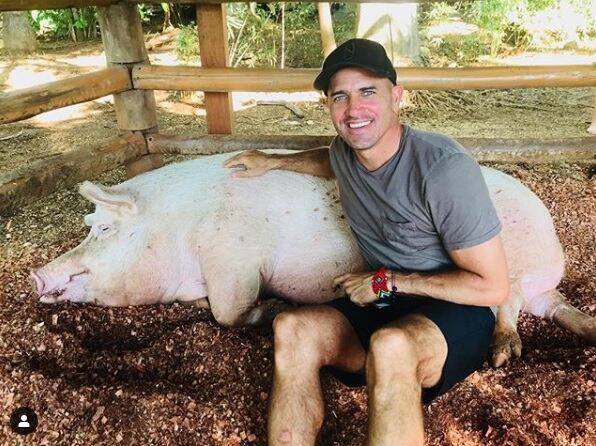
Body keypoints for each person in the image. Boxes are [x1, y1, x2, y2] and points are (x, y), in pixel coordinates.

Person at [224, 38, 509, 446]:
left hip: (458, 311)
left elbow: (493, 287)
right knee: (292, 327)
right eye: (340, 96)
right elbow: (328, 159)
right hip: (386, 302)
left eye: (367, 92)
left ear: (397, 96)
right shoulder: (346, 152)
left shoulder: (443, 170)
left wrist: (385, 282)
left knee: (391, 346)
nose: (353, 109)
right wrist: (273, 162)